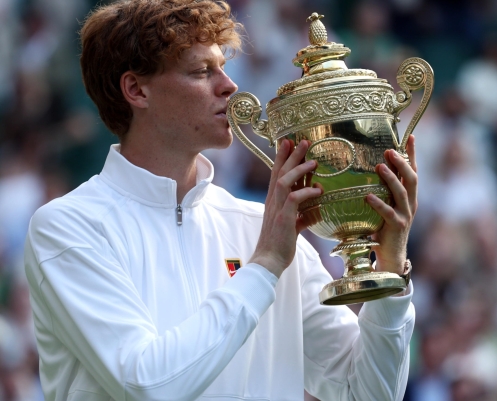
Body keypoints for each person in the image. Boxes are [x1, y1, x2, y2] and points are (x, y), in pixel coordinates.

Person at [23, 1, 417, 400]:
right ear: (136, 90)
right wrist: (263, 268)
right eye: (201, 71)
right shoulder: (67, 227)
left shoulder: (259, 228)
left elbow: (366, 392)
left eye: (223, 67)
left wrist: (390, 275)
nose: (229, 86)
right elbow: (148, 385)